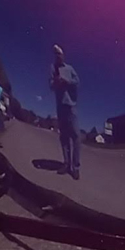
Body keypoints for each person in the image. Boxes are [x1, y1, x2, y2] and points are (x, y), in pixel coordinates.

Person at [49, 44, 82, 181]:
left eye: (60, 54)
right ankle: (66, 164)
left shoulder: (69, 68)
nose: (58, 56)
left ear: (63, 55)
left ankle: (76, 167)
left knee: (76, 136)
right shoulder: (53, 68)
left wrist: (66, 81)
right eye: (56, 54)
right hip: (60, 106)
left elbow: (77, 82)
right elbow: (51, 86)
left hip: (71, 105)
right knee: (64, 137)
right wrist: (56, 82)